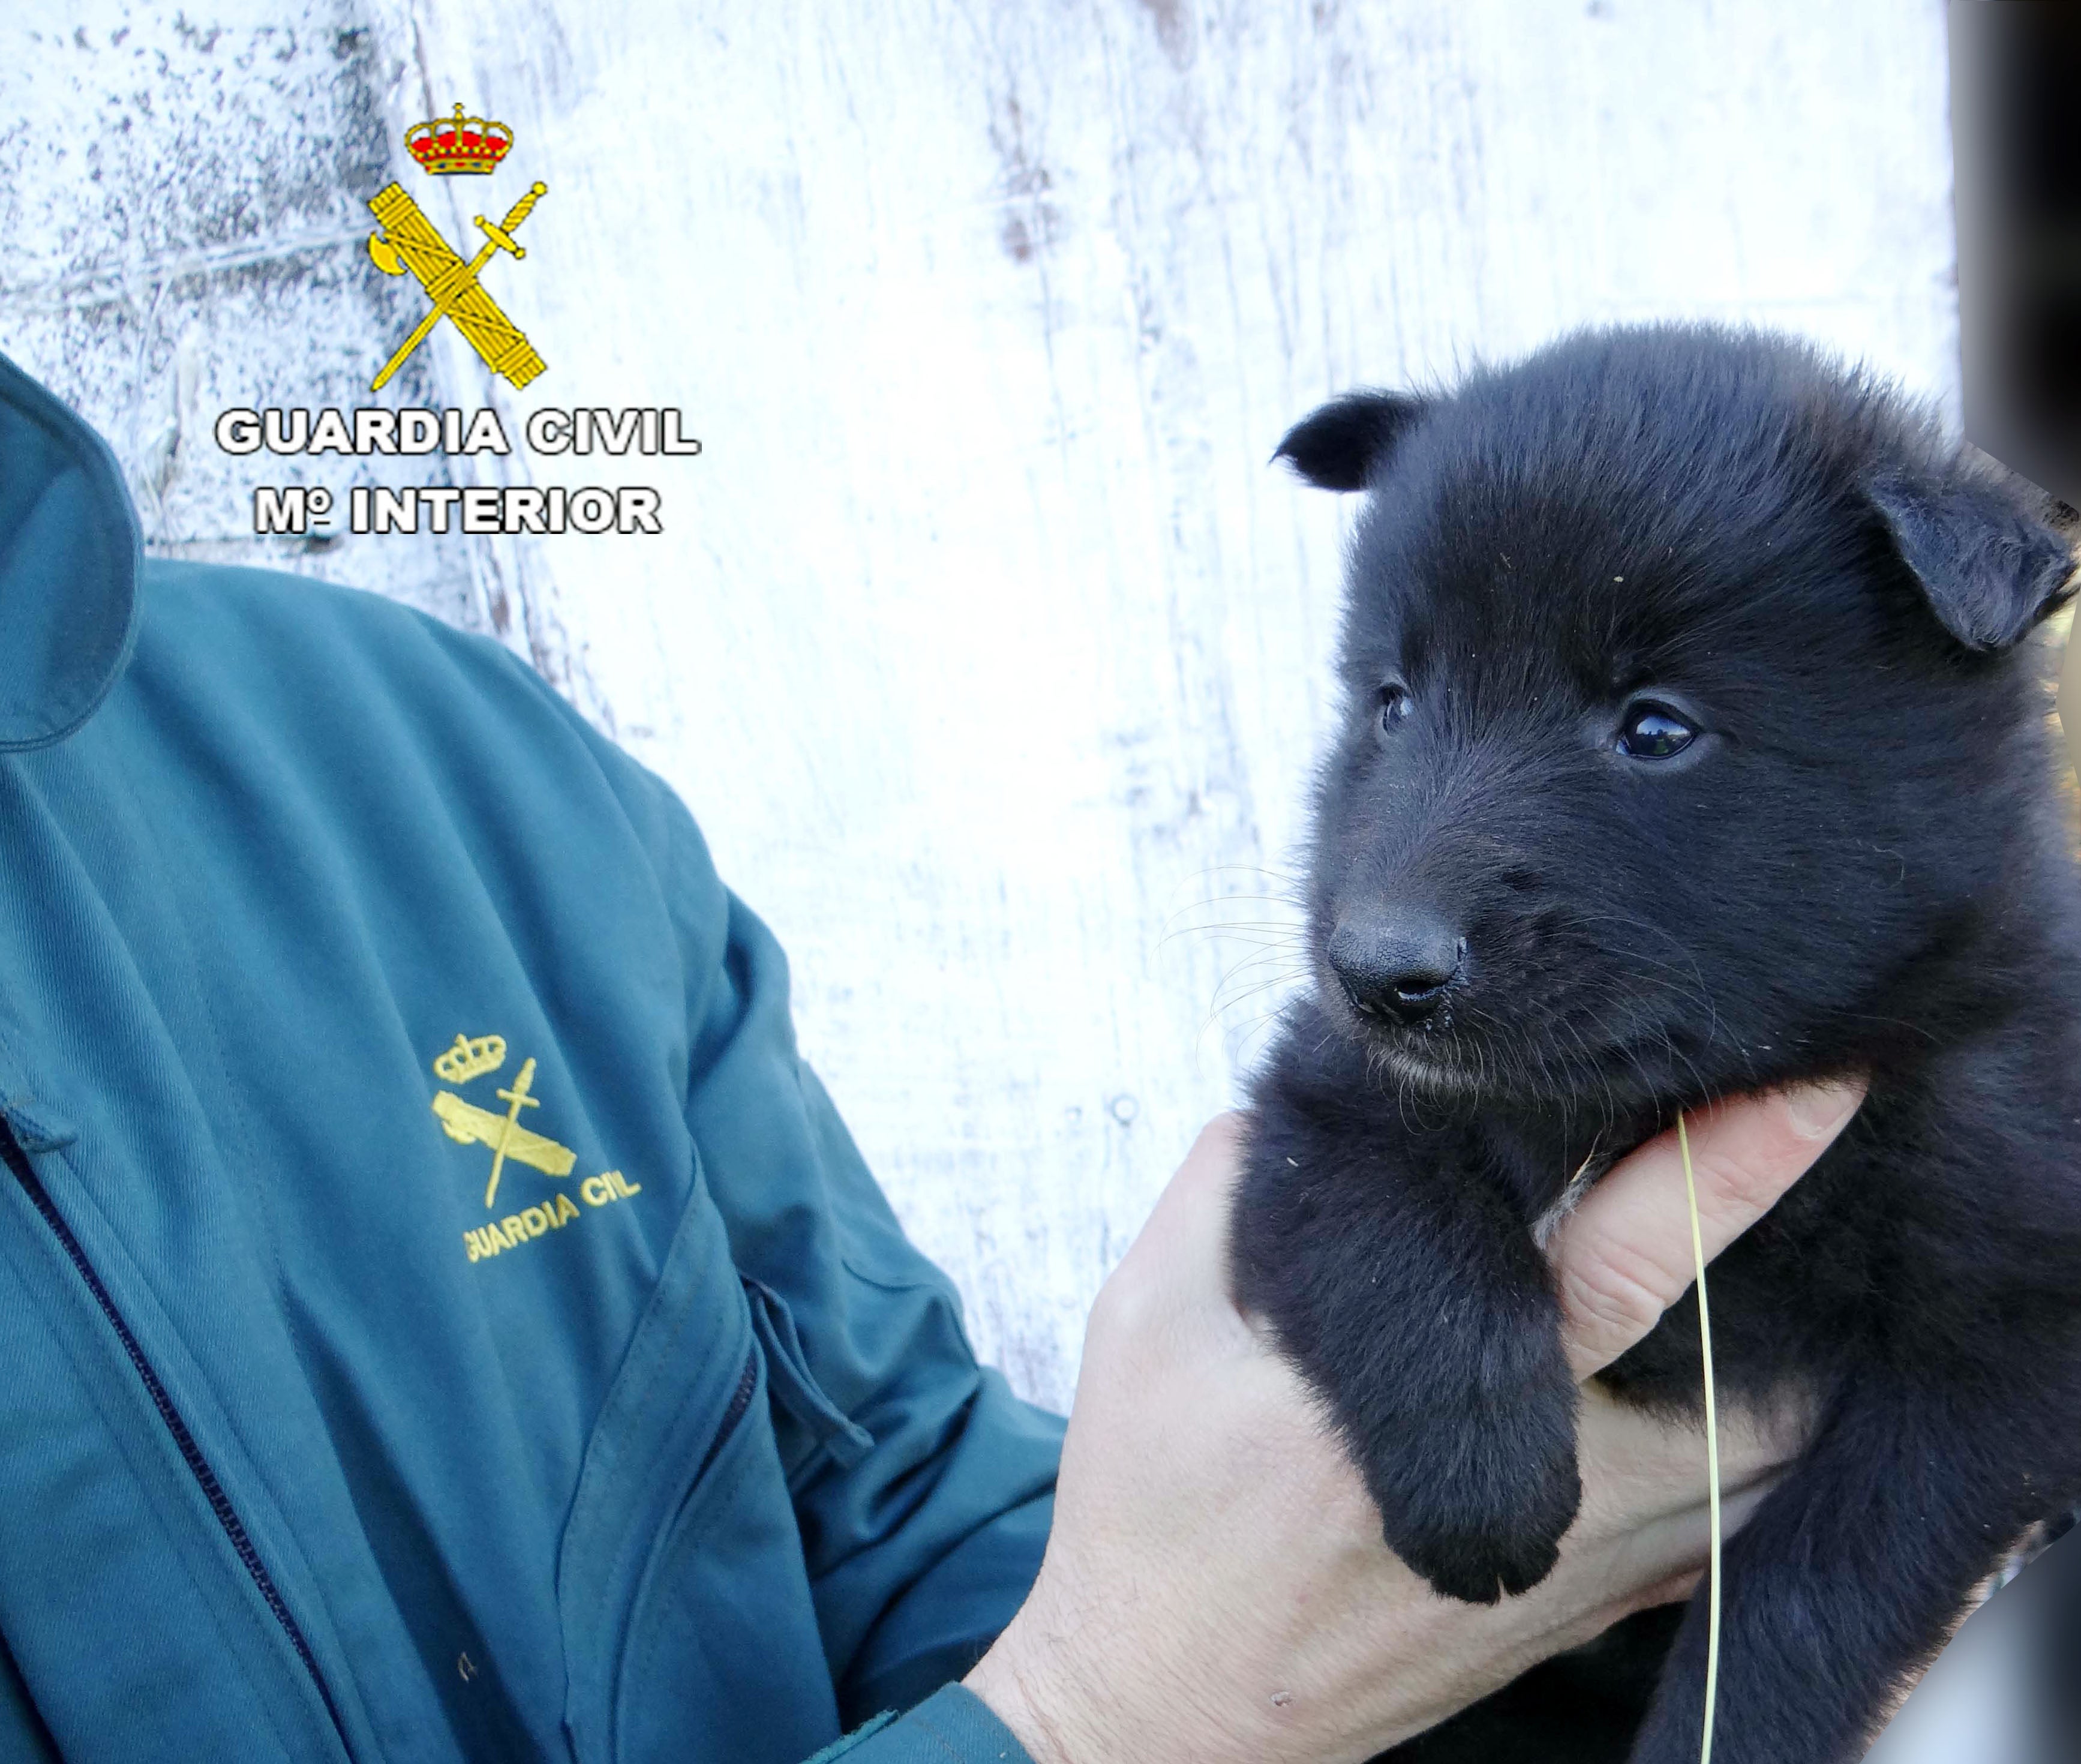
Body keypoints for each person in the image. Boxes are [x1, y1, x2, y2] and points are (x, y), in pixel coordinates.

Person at [0, 351, 1860, 1763]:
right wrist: (1102, 1715)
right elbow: (1110, 1676)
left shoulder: (429, 769)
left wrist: (1585, 1645)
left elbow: (897, 1502)